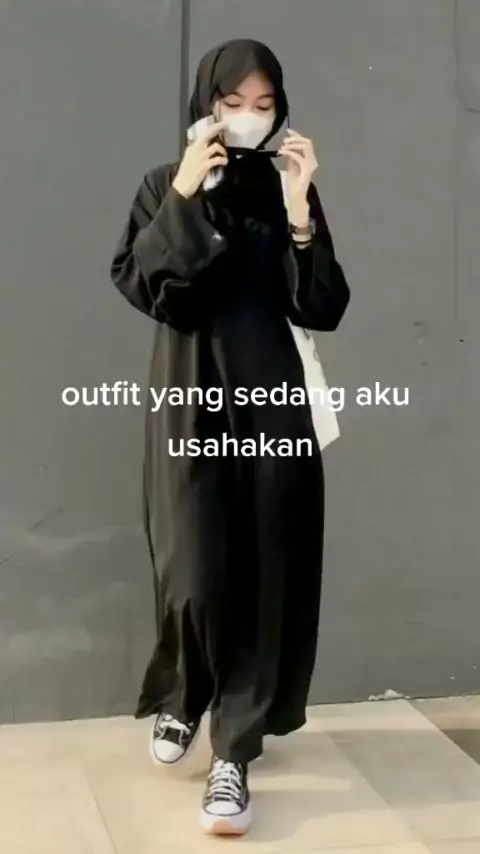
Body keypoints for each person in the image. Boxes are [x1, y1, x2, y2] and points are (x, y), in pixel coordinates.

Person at [110, 38, 350, 836]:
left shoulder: (284, 188)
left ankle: (233, 755)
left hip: (270, 404)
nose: (248, 118)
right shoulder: (164, 184)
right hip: (187, 402)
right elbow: (147, 286)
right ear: (205, 104)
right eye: (232, 102)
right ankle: (184, 696)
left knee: (261, 571)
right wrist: (185, 193)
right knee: (190, 568)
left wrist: (301, 216)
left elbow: (322, 306)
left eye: (264, 105)